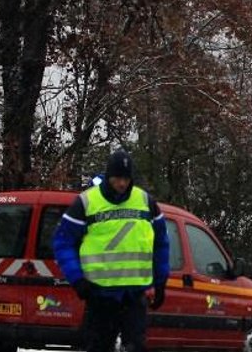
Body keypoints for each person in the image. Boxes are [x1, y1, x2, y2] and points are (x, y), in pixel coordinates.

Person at [53, 148, 170, 352]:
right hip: (100, 295)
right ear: (108, 176)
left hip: (134, 296)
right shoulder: (87, 202)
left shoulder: (146, 202)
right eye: (117, 178)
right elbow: (62, 242)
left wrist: (160, 283)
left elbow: (161, 244)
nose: (122, 184)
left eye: (125, 178)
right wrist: (78, 280)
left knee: (135, 347)